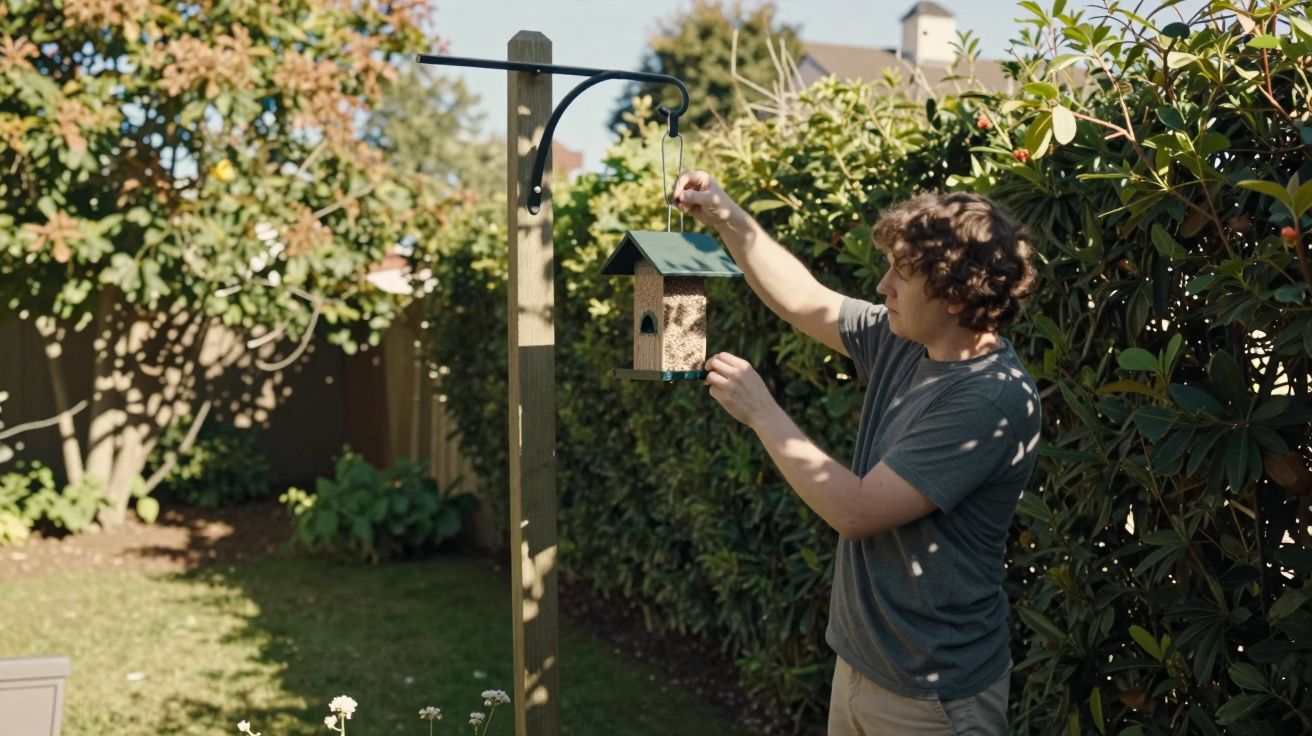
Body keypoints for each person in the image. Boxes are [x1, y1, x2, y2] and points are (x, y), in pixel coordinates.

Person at [672, 170, 1042, 735]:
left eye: (903, 272)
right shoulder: (904, 340)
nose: (883, 285)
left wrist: (763, 413)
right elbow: (804, 300)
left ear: (952, 292)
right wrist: (725, 215)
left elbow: (858, 512)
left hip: (933, 698)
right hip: (864, 666)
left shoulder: (986, 400)